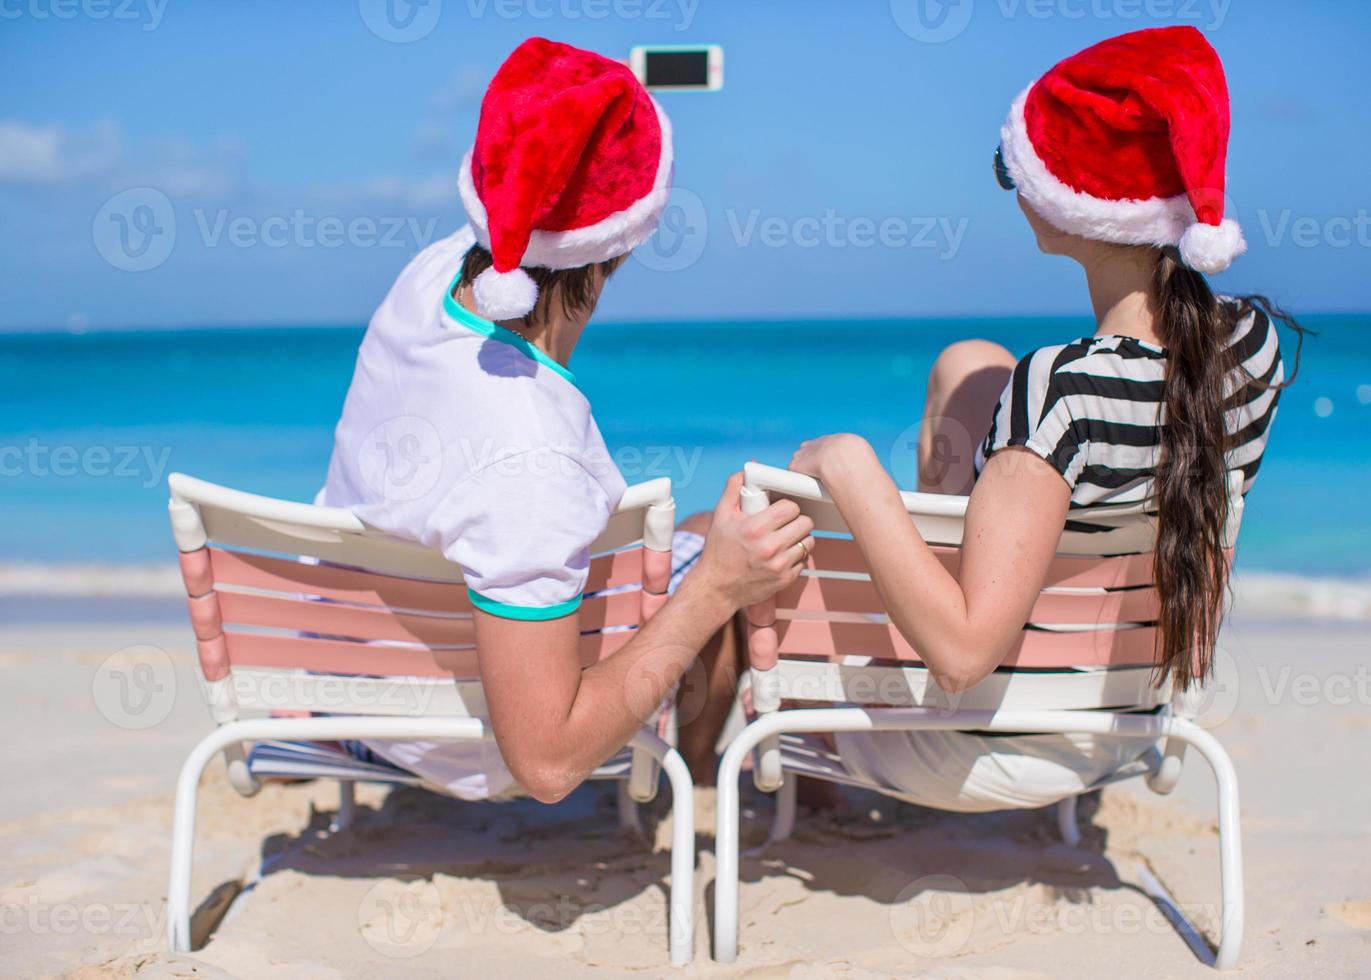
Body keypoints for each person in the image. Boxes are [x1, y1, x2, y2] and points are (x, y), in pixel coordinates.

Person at [764, 26, 1304, 811]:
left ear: (1081, 206)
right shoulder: (1253, 347)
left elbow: (961, 657)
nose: (1012, 187)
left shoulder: (1061, 389)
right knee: (969, 363)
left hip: (972, 740)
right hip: (1122, 722)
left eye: (1017, 169)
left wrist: (851, 471)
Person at [318, 38, 814, 804]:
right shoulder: (533, 456)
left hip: (356, 682)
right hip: (464, 746)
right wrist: (717, 587)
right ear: (629, 239)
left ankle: (709, 763)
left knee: (698, 530)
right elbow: (545, 764)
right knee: (736, 550)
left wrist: (589, 110)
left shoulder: (426, 283)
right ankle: (708, 775)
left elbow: (527, 184)